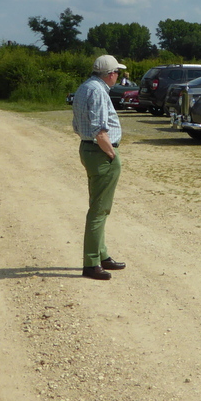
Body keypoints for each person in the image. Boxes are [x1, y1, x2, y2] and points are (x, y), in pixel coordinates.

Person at [72, 55, 129, 280]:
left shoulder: (85, 87)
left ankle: (102, 254)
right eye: (117, 72)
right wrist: (111, 153)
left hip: (89, 149)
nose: (117, 75)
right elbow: (99, 129)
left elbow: (77, 125)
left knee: (99, 205)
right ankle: (91, 263)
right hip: (101, 152)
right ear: (110, 74)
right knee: (99, 210)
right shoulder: (98, 91)